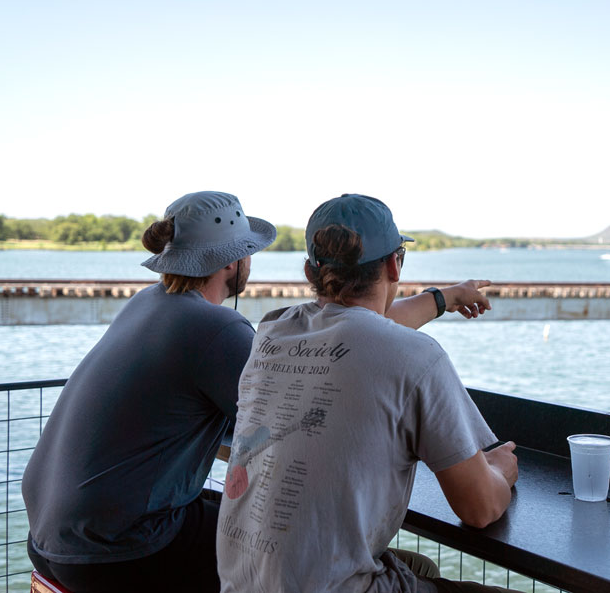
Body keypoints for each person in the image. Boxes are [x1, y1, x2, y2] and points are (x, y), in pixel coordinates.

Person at [22, 190, 493, 593]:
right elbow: (350, 348)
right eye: (249, 248)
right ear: (233, 260)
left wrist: (442, 299)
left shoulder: (150, 304)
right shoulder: (216, 329)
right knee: (278, 546)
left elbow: (356, 333)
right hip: (120, 548)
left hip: (50, 535)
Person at [216, 193, 521, 593]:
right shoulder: (417, 357)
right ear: (395, 264)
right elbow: (480, 508)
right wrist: (500, 470)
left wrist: (445, 298)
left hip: (240, 585)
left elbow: (358, 327)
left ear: (310, 270)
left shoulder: (272, 331)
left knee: (416, 566)